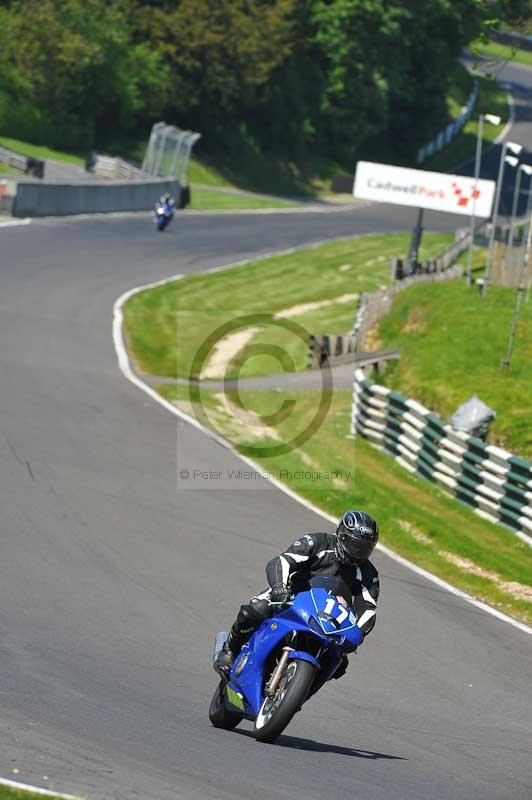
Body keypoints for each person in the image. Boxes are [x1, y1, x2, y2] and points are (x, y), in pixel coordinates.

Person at [215, 510, 380, 679]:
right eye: (356, 546)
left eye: (366, 549)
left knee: (338, 663)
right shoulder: (318, 542)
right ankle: (230, 649)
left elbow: (368, 609)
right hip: (292, 596)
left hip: (329, 620)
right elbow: (282, 561)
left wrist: (356, 634)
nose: (359, 553)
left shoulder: (368, 574)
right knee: (255, 610)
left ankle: (296, 693)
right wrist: (279, 587)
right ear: (342, 536)